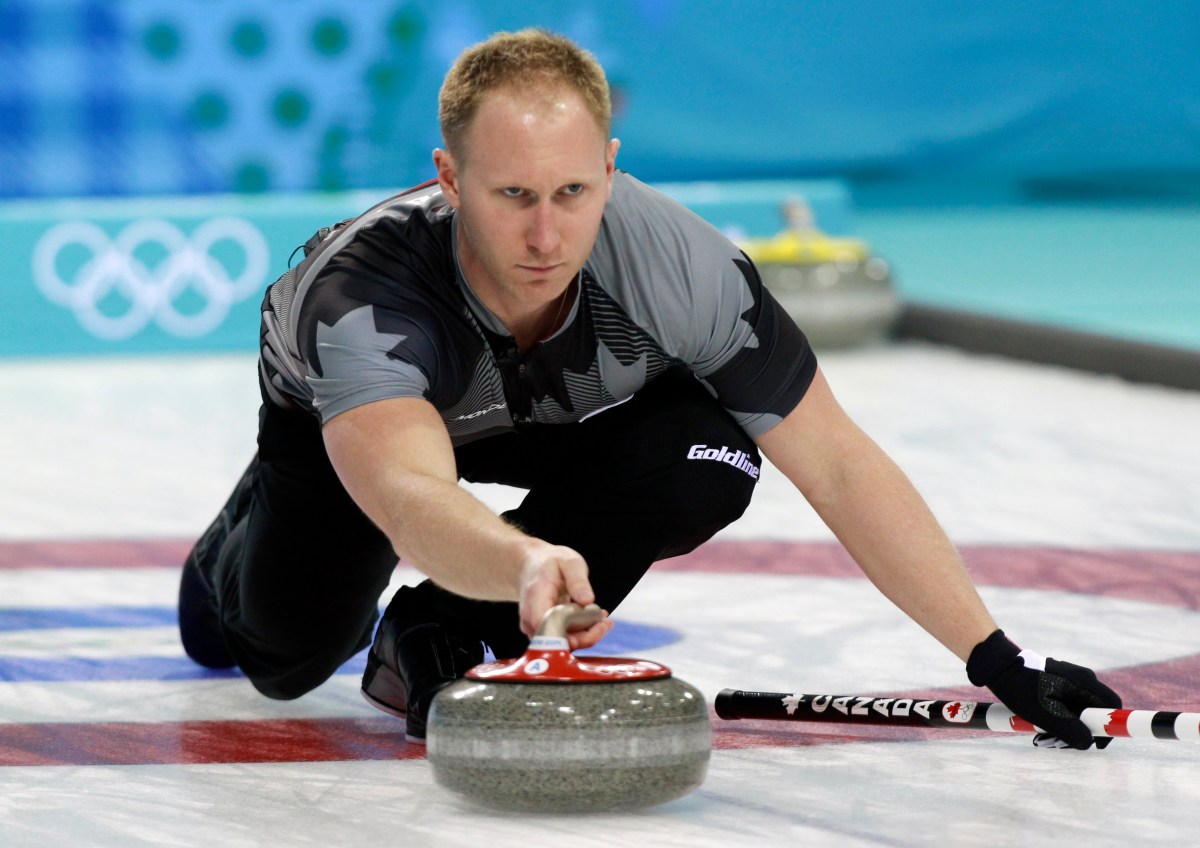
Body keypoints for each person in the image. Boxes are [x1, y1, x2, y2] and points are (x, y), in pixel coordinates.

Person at [178, 28, 1121, 748]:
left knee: (707, 457)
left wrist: (999, 660)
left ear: (612, 170)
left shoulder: (682, 264)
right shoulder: (364, 300)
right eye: (513, 197)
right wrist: (522, 564)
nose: (547, 238)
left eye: (574, 194)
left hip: (555, 413)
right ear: (450, 178)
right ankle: (232, 547)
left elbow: (835, 462)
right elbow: (410, 494)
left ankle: (436, 635)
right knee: (287, 660)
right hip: (368, 435)